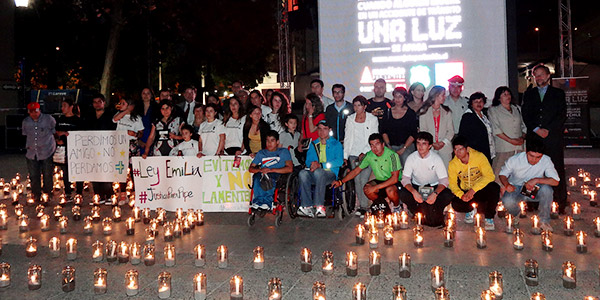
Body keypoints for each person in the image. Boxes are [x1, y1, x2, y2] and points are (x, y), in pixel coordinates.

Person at [521, 64, 567, 213]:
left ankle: (559, 203)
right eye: (536, 75)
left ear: (548, 76)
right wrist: (536, 129)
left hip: (552, 137)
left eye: (541, 74)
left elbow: (561, 115)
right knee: (532, 169)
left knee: (556, 168)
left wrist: (548, 130)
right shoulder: (528, 94)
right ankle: (531, 202)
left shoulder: (558, 93)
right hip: (534, 137)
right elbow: (526, 114)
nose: (539, 77)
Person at [499, 136, 559, 232]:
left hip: (535, 189)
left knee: (547, 190)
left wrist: (536, 180)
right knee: (507, 200)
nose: (534, 160)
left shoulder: (546, 160)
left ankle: (544, 221)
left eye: (538, 157)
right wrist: (507, 185)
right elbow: (502, 174)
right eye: (531, 156)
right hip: (516, 187)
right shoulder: (515, 160)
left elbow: (555, 181)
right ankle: (515, 214)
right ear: (526, 151)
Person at [334, 133, 402, 215]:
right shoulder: (369, 155)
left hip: (393, 182)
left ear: (383, 144)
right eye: (372, 145)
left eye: (377, 144)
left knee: (389, 190)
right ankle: (384, 208)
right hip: (380, 180)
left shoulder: (392, 155)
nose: (374, 148)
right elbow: (356, 171)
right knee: (367, 189)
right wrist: (341, 182)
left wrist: (376, 187)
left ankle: (397, 207)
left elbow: (394, 178)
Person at [398, 132, 454, 226]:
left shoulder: (436, 159)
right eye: (418, 143)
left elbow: (444, 180)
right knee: (402, 192)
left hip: (433, 187)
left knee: (447, 196)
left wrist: (435, 194)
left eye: (424, 144)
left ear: (430, 146)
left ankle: (437, 211)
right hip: (417, 187)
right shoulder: (411, 158)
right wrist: (413, 192)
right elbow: (405, 179)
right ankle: (416, 211)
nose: (420, 147)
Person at [448, 136, 500, 230]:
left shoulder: (479, 156)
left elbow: (490, 176)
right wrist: (461, 195)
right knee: (456, 204)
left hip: (480, 189)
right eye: (455, 149)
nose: (458, 152)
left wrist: (473, 190)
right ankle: (471, 209)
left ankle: (489, 217)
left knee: (494, 187)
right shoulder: (453, 164)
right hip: (466, 190)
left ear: (467, 149)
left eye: (461, 149)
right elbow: (452, 184)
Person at [297, 120, 344, 218]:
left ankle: (319, 206)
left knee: (319, 172)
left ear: (329, 130)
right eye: (320, 129)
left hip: (330, 174)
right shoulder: (314, 144)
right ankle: (306, 206)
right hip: (315, 172)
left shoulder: (336, 144)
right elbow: (308, 160)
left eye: (325, 129)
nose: (322, 132)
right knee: (302, 173)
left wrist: (322, 165)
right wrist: (312, 164)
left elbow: (339, 161)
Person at [343, 96, 379, 216]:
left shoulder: (372, 119)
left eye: (359, 105)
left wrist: (365, 152)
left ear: (364, 106)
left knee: (364, 179)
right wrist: (345, 155)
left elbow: (374, 137)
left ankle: (364, 206)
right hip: (353, 153)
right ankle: (360, 206)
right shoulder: (350, 119)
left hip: (368, 154)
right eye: (355, 105)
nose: (357, 108)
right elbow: (347, 138)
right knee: (357, 179)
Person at [488, 86, 526, 184]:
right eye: (504, 94)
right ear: (498, 97)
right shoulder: (493, 110)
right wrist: (511, 140)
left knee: (519, 173)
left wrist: (522, 137)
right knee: (499, 173)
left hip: (519, 146)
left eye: (508, 94)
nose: (507, 96)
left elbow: (524, 126)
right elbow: (496, 129)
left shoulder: (517, 108)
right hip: (504, 147)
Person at [248, 130, 293, 209]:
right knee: (257, 177)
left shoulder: (284, 152)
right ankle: (258, 202)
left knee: (269, 178)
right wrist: (260, 170)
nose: (269, 143)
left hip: (277, 173)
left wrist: (271, 170)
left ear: (277, 142)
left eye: (272, 141)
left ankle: (267, 202)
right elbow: (251, 168)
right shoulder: (261, 153)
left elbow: (289, 168)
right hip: (263, 173)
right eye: (267, 141)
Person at [84, 94, 116, 203]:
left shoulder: (110, 116)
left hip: (106, 149)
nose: (97, 104)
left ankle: (109, 195)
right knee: (94, 172)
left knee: (106, 171)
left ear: (104, 103)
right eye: (95, 102)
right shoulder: (89, 116)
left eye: (99, 102)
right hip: (93, 149)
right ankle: (98, 195)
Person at [22, 102, 56, 203]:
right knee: (33, 175)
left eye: (35, 111)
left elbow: (54, 131)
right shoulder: (26, 122)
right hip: (32, 152)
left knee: (47, 174)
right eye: (31, 112)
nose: (34, 114)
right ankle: (36, 194)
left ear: (39, 110)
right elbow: (25, 134)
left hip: (47, 150)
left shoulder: (48, 119)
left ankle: (47, 194)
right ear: (28, 112)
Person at [381, 87, 417, 166]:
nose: (397, 99)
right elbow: (383, 130)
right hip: (391, 145)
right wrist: (389, 146)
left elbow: (413, 133)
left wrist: (404, 148)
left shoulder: (410, 113)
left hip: (406, 146)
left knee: (406, 161)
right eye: (395, 96)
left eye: (400, 96)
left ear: (405, 98)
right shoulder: (387, 111)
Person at [419, 86, 454, 166]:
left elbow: (450, 131)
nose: (445, 97)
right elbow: (423, 130)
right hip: (429, 147)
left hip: (445, 148)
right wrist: (432, 143)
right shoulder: (424, 111)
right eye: (443, 95)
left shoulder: (447, 111)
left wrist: (443, 142)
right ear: (436, 95)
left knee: (445, 173)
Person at [55, 99, 83, 198]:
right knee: (65, 171)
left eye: (64, 106)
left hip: (75, 150)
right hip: (63, 150)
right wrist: (59, 136)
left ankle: (79, 193)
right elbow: (55, 132)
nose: (62, 108)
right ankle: (68, 192)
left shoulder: (78, 120)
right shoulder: (59, 119)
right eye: (62, 106)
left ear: (71, 107)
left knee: (78, 170)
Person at [458, 92, 495, 163]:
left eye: (481, 101)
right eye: (476, 102)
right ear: (471, 104)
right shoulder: (468, 116)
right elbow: (463, 135)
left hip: (487, 150)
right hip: (475, 152)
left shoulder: (485, 115)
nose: (479, 103)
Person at [136, 88, 159, 156]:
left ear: (151, 95)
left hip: (152, 136)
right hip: (139, 137)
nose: (146, 95)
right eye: (144, 93)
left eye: (148, 93)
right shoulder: (136, 108)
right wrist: (138, 140)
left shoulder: (157, 108)